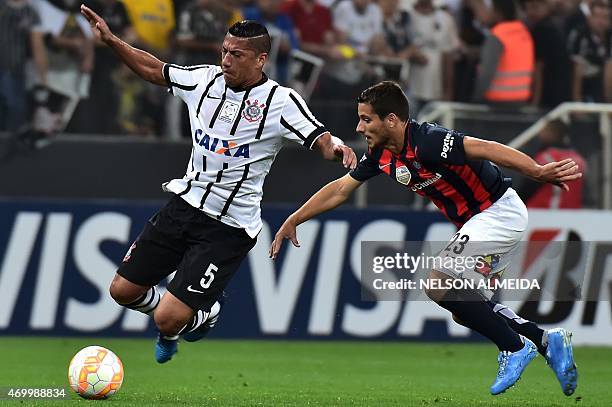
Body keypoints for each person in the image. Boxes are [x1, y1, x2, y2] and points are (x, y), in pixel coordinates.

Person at [80, 5, 357, 363]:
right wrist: (113, 41)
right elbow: (154, 70)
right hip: (184, 206)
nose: (226, 60)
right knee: (122, 291)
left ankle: (198, 315)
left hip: (228, 226)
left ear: (260, 60)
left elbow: (320, 138)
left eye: (236, 55)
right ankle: (188, 314)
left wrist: (339, 149)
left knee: (167, 319)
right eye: (224, 51)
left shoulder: (280, 101)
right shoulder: (204, 80)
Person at [269, 81, 580, 395]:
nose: (359, 127)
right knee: (465, 308)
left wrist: (537, 171)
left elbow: (485, 147)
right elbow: (340, 189)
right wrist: (295, 218)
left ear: (391, 119)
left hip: (498, 212)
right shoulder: (380, 154)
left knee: (437, 282)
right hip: (479, 220)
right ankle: (543, 340)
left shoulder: (429, 141)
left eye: (366, 119)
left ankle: (514, 347)